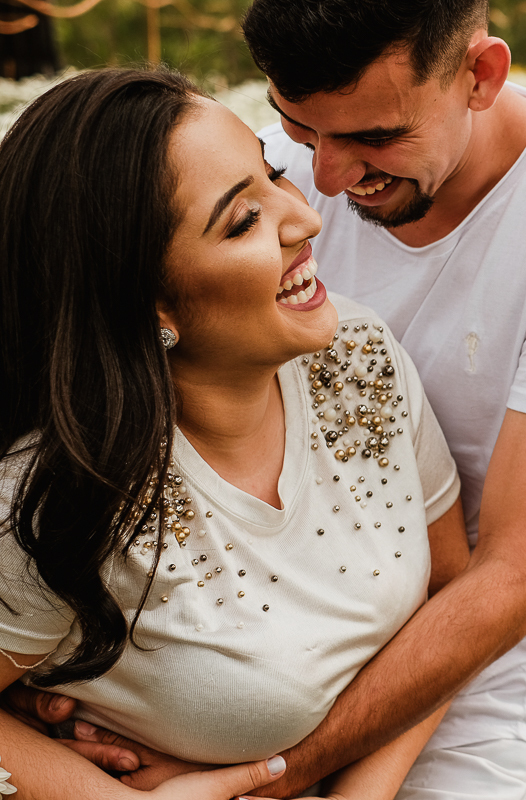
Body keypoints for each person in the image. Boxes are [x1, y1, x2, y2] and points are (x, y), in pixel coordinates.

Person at [18, 1, 526, 795]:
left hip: (477, 689)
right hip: (219, 675)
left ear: (481, 76)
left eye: (375, 138)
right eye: (294, 131)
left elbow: (509, 575)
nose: (322, 186)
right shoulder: (262, 182)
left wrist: (272, 772)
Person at [0, 68, 470, 799]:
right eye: (243, 220)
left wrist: (357, 792)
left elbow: (453, 599)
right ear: (145, 303)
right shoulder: (66, 491)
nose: (306, 219)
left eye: (273, 174)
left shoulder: (360, 357)